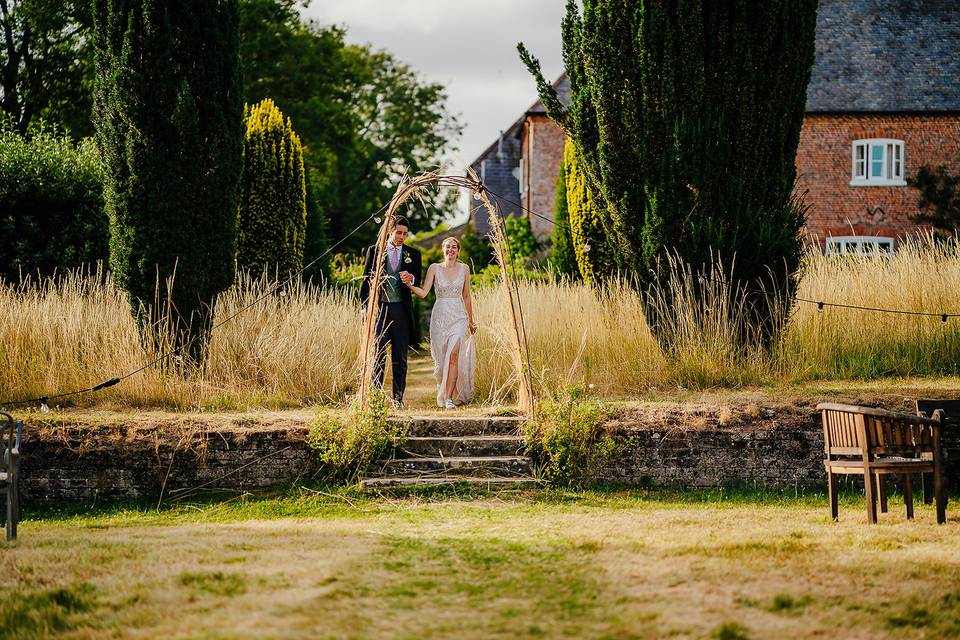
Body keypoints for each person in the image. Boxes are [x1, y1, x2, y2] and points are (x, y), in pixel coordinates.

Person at [405, 236, 477, 409]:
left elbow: (466, 295)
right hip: (439, 318)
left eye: (454, 247)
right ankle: (442, 390)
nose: (450, 250)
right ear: (443, 250)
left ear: (458, 251)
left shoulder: (464, 269)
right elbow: (423, 293)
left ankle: (449, 398)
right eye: (447, 247)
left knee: (453, 356)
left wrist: (471, 321)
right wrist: (409, 284)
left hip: (458, 317)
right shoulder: (434, 268)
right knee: (441, 358)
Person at [359, 216, 422, 407]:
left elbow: (417, 280)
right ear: (390, 231)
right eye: (398, 233)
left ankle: (397, 399)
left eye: (405, 233)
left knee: (400, 356)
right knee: (378, 354)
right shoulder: (375, 251)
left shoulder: (414, 254)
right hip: (381, 309)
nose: (402, 237)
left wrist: (410, 277)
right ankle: (376, 399)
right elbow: (366, 282)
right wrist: (364, 308)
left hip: (401, 310)